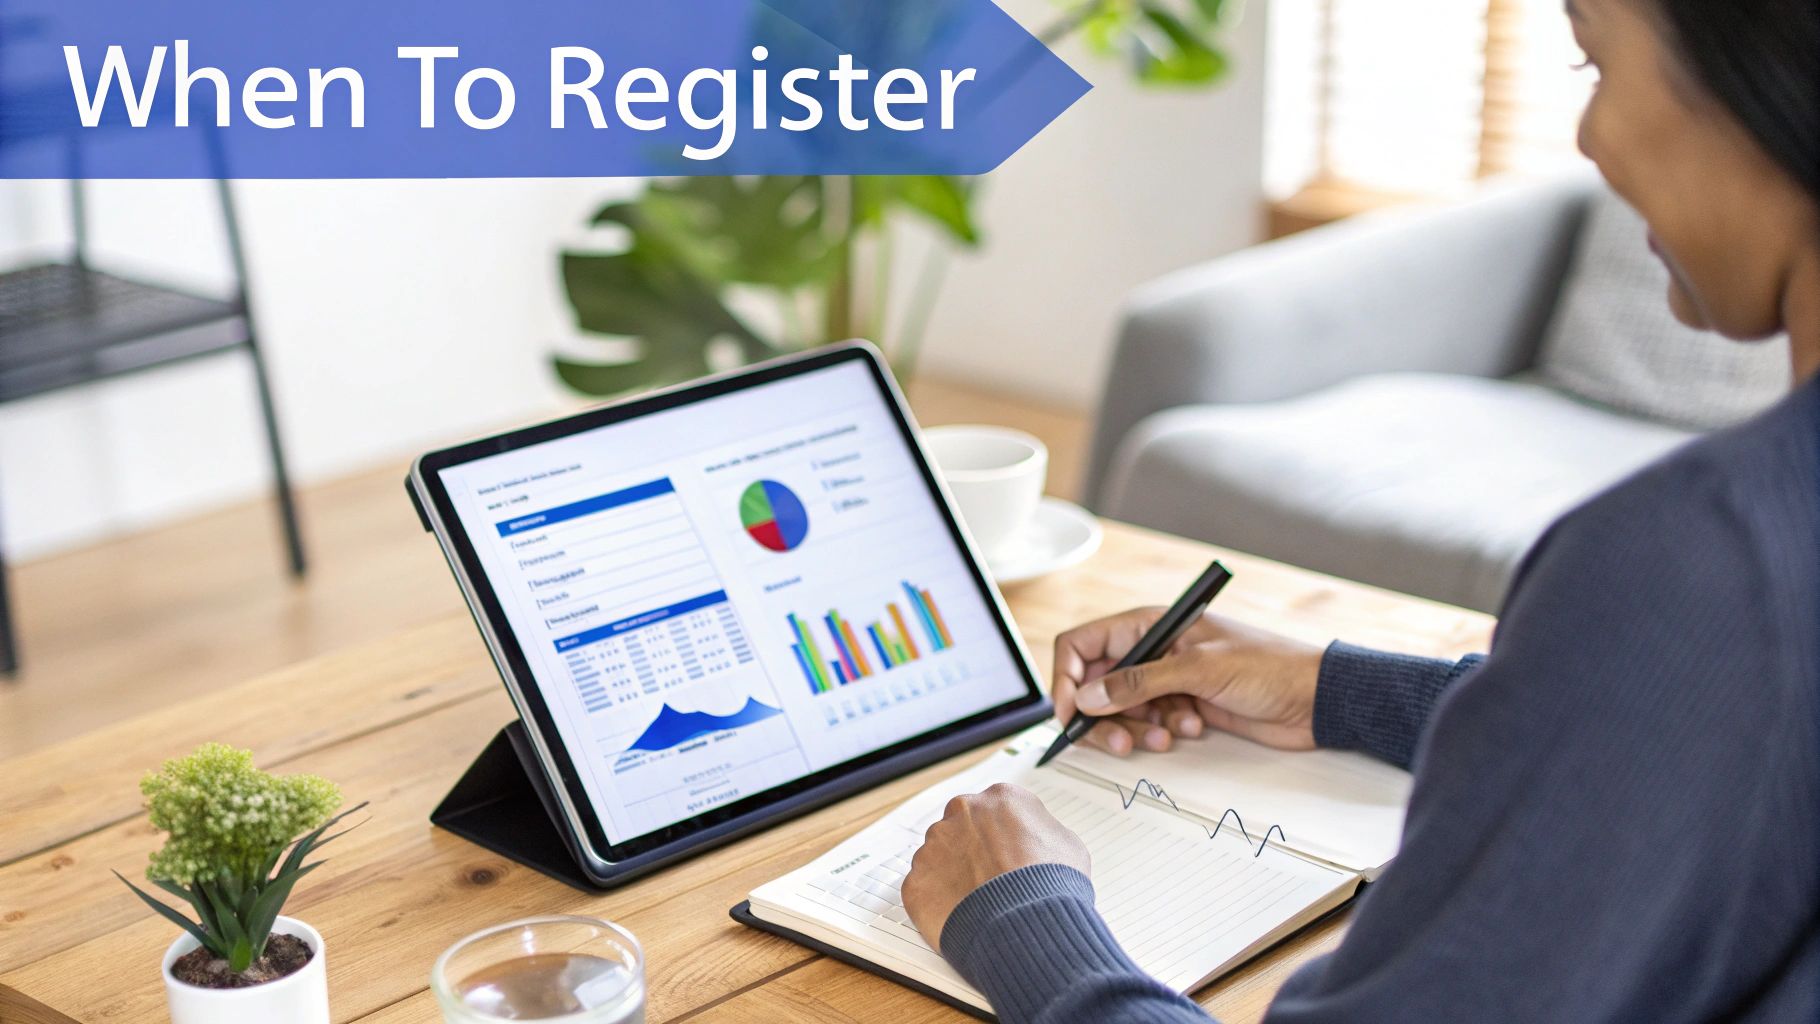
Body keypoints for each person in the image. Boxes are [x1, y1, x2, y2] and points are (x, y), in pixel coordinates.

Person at [898, 0, 1820, 1019]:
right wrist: (1335, 690)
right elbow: (1714, 742)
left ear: (1764, 77)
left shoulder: (1690, 567)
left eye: (1591, 64)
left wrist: (1019, 914)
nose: (1588, 138)